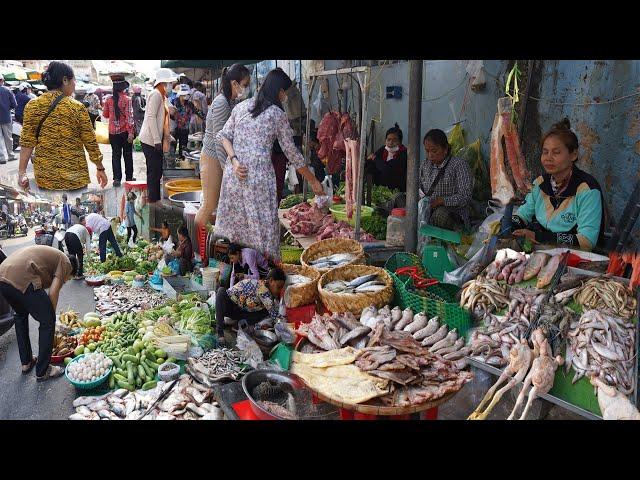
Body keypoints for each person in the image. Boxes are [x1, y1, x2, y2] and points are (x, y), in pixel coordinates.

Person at [217, 68, 325, 260]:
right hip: (257, 180)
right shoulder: (277, 114)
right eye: (286, 92)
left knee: (238, 236)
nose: (286, 97)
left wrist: (234, 161)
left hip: (235, 177)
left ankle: (237, 281)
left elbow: (224, 136)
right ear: (279, 91)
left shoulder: (242, 107)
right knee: (262, 236)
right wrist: (314, 181)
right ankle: (261, 281)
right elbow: (292, 153)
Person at [511, 118, 604, 251]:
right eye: (545, 152)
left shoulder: (587, 189)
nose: (548, 158)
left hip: (576, 258)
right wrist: (510, 223)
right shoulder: (540, 183)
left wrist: (540, 237)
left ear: (573, 154)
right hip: (541, 251)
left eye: (556, 152)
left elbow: (587, 241)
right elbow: (522, 215)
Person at [17, 62, 107, 191]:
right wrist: (100, 168)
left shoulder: (33, 106)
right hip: (75, 178)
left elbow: (27, 142)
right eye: (73, 80)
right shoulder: (77, 107)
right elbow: (90, 142)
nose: (75, 84)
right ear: (65, 80)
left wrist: (22, 173)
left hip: (45, 178)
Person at [0, 245, 78, 381]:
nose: (66, 281)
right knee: (47, 320)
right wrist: (51, 318)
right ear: (71, 270)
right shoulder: (65, 262)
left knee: (20, 316)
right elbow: (53, 292)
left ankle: (26, 362)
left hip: (3, 276)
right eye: (68, 279)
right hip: (22, 275)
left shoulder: (53, 258)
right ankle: (43, 370)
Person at [196, 64, 251, 229]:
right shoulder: (221, 103)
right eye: (245, 84)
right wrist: (227, 169)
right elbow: (220, 139)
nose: (247, 89)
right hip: (213, 158)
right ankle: (194, 246)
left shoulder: (229, 101)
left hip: (217, 159)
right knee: (209, 206)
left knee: (214, 206)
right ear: (235, 84)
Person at [215, 267, 286, 345]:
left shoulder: (268, 293)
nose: (279, 291)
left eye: (281, 288)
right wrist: (288, 329)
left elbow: (273, 311)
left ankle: (237, 324)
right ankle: (220, 333)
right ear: (271, 280)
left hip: (240, 310)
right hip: (229, 305)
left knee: (266, 311)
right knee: (221, 292)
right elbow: (275, 316)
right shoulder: (264, 289)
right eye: (278, 287)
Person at [419, 128, 474, 231]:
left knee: (440, 214)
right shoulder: (425, 165)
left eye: (434, 151)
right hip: (428, 212)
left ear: (445, 149)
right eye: (427, 151)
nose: (430, 155)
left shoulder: (459, 165)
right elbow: (419, 188)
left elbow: (465, 196)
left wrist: (442, 201)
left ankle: (458, 234)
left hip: (453, 215)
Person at [139, 68, 178, 203]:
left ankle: (154, 199)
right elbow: (151, 117)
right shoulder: (155, 95)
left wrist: (167, 137)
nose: (171, 86)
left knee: (156, 171)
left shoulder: (162, 97)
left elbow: (162, 120)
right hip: (150, 139)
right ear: (163, 83)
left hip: (155, 139)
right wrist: (157, 140)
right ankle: (153, 201)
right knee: (154, 172)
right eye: (170, 83)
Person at [102, 78, 136, 187]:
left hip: (113, 133)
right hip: (125, 132)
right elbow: (130, 118)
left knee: (115, 156)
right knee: (128, 155)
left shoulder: (108, 100)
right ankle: (129, 177)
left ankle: (117, 179)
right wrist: (131, 133)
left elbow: (105, 115)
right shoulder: (127, 99)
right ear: (123, 88)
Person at [366, 123, 408, 192]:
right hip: (380, 189)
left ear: (400, 142)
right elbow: (371, 163)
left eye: (394, 140)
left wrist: (375, 159)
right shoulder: (383, 150)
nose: (391, 143)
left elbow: (387, 168)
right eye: (388, 140)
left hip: (397, 190)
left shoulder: (404, 153)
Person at [172, 84, 197, 158]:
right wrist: (179, 119)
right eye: (183, 94)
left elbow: (196, 112)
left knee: (183, 148)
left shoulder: (189, 104)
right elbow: (171, 115)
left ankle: (182, 161)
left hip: (185, 129)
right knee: (173, 146)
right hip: (175, 128)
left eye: (187, 94)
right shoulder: (174, 102)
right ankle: (172, 163)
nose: (185, 96)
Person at [0, 73, 17, 164]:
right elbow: (14, 104)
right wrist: (7, 108)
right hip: (6, 117)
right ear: (2, 81)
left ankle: (1, 158)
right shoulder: (8, 90)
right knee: (8, 138)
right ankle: (11, 155)